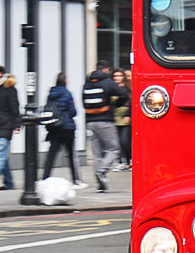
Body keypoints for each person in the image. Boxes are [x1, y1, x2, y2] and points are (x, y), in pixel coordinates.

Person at [81, 62, 123, 192]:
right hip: (105, 121)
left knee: (96, 153)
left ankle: (101, 183)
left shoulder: (87, 84)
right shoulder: (107, 83)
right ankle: (102, 170)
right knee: (113, 149)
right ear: (105, 69)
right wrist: (116, 104)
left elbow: (84, 103)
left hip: (89, 123)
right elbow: (123, 93)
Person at [42, 71, 79, 183]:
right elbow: (73, 112)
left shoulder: (51, 94)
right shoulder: (67, 94)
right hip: (67, 127)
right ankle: (75, 179)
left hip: (54, 127)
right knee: (71, 155)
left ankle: (45, 177)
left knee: (51, 154)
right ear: (65, 81)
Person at [112, 67, 133, 171]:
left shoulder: (128, 88)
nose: (117, 78)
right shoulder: (111, 87)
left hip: (125, 117)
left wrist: (128, 114)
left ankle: (129, 160)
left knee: (125, 140)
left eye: (120, 75)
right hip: (114, 117)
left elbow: (132, 102)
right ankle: (121, 161)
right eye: (115, 76)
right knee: (117, 142)